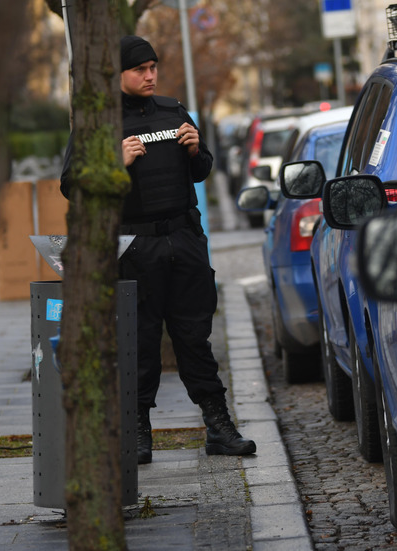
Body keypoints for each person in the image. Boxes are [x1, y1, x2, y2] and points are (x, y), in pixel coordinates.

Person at [60, 35, 256, 464]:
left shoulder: (173, 110)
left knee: (195, 339)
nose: (150, 76)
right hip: (134, 247)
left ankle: (218, 427)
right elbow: (72, 186)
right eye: (140, 70)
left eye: (153, 67)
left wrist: (195, 149)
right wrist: (114, 164)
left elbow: (201, 170)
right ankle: (138, 432)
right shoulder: (100, 123)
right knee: (139, 344)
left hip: (184, 241)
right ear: (119, 74)